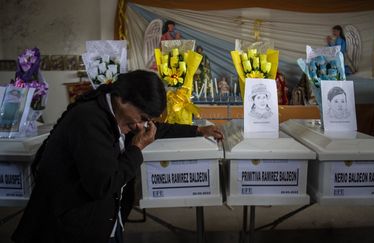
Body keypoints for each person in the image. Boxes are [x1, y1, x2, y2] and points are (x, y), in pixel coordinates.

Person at [11, 70, 223, 243]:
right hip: (66, 231)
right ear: (122, 100)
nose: (141, 125)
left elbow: (157, 129)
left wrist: (198, 130)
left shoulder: (118, 114)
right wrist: (136, 149)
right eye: (142, 118)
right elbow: (102, 184)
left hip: (105, 223)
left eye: (146, 119)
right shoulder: (89, 121)